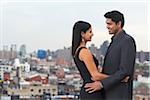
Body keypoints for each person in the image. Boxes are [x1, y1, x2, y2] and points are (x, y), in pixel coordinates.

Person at [84, 10, 136, 100]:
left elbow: (124, 71)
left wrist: (102, 84)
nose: (107, 27)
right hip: (109, 93)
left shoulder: (127, 41)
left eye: (110, 24)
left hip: (119, 94)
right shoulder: (114, 41)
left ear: (119, 24)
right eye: (107, 24)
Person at [72, 21, 109, 100]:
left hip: (88, 90)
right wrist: (117, 78)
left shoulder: (77, 51)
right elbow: (95, 76)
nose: (92, 34)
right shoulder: (84, 52)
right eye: (90, 32)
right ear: (82, 34)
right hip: (93, 91)